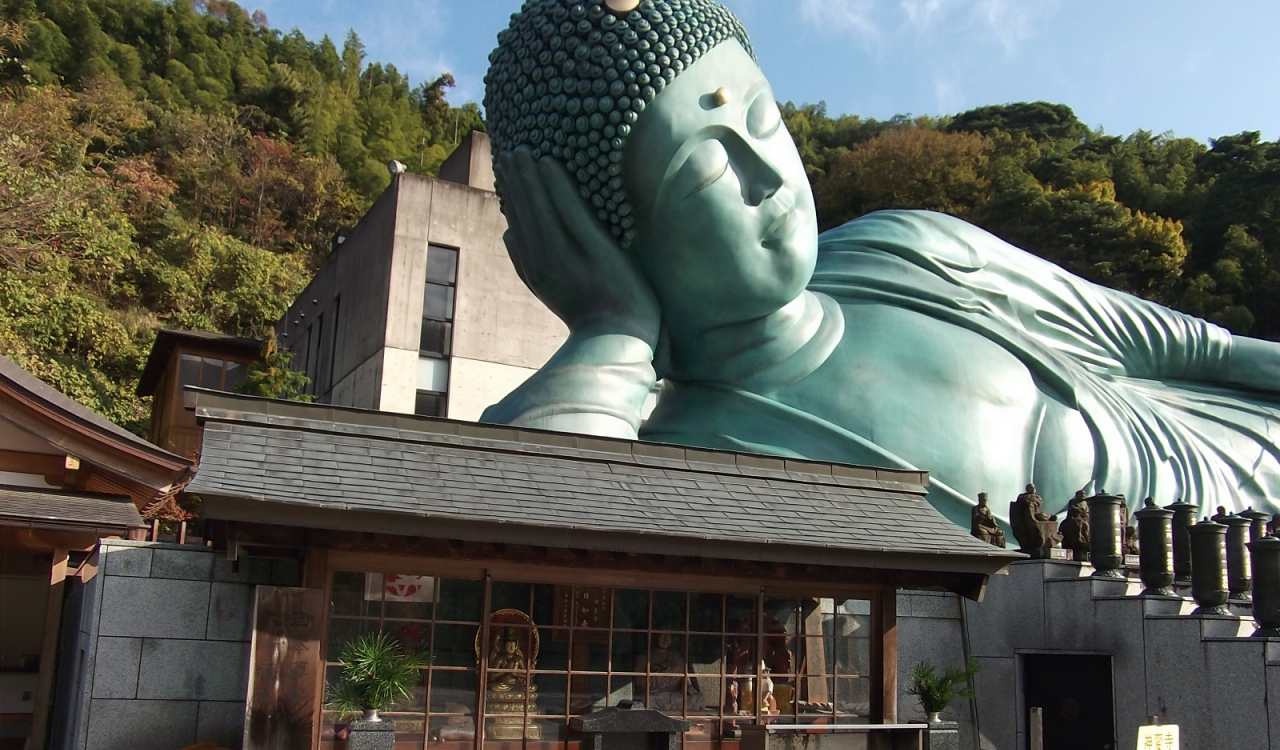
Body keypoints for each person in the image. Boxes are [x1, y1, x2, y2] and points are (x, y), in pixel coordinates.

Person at [481, 0, 1280, 531]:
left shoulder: (906, 251)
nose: (769, 175)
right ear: (602, 243)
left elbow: (1190, 348)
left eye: (764, 118)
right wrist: (611, 330)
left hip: (1241, 447)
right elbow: (538, 578)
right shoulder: (693, 457)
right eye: (708, 169)